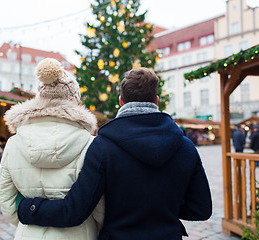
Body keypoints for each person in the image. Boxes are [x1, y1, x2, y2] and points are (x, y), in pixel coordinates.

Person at [17, 67, 212, 240]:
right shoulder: (185, 147)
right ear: (156, 101)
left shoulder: (103, 147)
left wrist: (28, 208)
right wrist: (165, 208)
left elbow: (74, 210)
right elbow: (201, 209)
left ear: (121, 101)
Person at [0, 58, 104, 240]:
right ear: (74, 101)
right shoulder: (90, 143)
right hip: (79, 233)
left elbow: (7, 202)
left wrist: (33, 219)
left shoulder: (14, 143)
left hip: (29, 233)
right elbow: (99, 206)